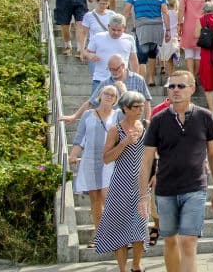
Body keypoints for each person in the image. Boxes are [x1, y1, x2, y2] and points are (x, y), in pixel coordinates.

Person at [140, 71, 213, 272]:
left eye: (180, 86)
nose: (175, 90)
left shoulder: (204, 117)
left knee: (188, 241)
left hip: (195, 188)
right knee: (170, 241)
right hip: (165, 189)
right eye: (171, 86)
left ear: (192, 89)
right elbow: (147, 160)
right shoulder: (158, 120)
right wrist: (142, 196)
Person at [94, 91, 149, 272]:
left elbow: (151, 155)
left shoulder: (145, 126)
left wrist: (155, 174)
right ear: (125, 108)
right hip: (120, 185)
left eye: (142, 106)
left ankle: (136, 265)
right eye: (136, 107)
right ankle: (122, 269)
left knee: (140, 227)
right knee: (119, 229)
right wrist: (124, 142)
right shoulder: (115, 130)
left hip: (141, 185)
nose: (140, 110)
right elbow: (106, 158)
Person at [68, 84, 120, 246]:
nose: (109, 96)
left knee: (108, 198)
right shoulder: (88, 114)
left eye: (112, 95)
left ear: (115, 99)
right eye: (106, 93)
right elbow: (80, 138)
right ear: (100, 95)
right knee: (96, 200)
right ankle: (100, 236)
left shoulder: (118, 115)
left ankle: (116, 234)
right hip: (90, 161)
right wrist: (73, 154)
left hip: (109, 161)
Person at [62, 53, 152, 124]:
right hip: (112, 125)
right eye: (110, 69)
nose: (113, 72)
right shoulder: (105, 83)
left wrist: (147, 120)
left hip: (134, 124)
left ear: (123, 66)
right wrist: (74, 116)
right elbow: (90, 103)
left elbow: (146, 101)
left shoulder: (138, 79)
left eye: (116, 69)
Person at [125, 0, 170, 88]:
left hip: (142, 27)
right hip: (156, 27)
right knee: (152, 54)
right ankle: (151, 79)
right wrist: (168, 30)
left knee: (142, 58)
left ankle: (141, 83)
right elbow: (165, 12)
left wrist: (123, 24)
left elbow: (127, 9)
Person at [178, 0, 212, 79]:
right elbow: (211, 12)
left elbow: (181, 10)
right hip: (202, 28)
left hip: (188, 27)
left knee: (188, 52)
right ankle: (195, 77)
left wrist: (179, 24)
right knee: (199, 54)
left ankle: (191, 76)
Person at [77, 0, 121, 71]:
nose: (103, 6)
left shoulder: (112, 15)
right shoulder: (89, 16)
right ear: (97, 2)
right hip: (94, 50)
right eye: (101, 3)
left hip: (110, 49)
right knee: (96, 74)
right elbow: (84, 33)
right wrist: (82, 51)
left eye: (106, 4)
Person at [160, 0, 181, 77]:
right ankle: (171, 75)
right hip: (175, 38)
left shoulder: (163, 14)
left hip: (165, 38)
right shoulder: (177, 14)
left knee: (168, 59)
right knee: (171, 59)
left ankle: (169, 75)